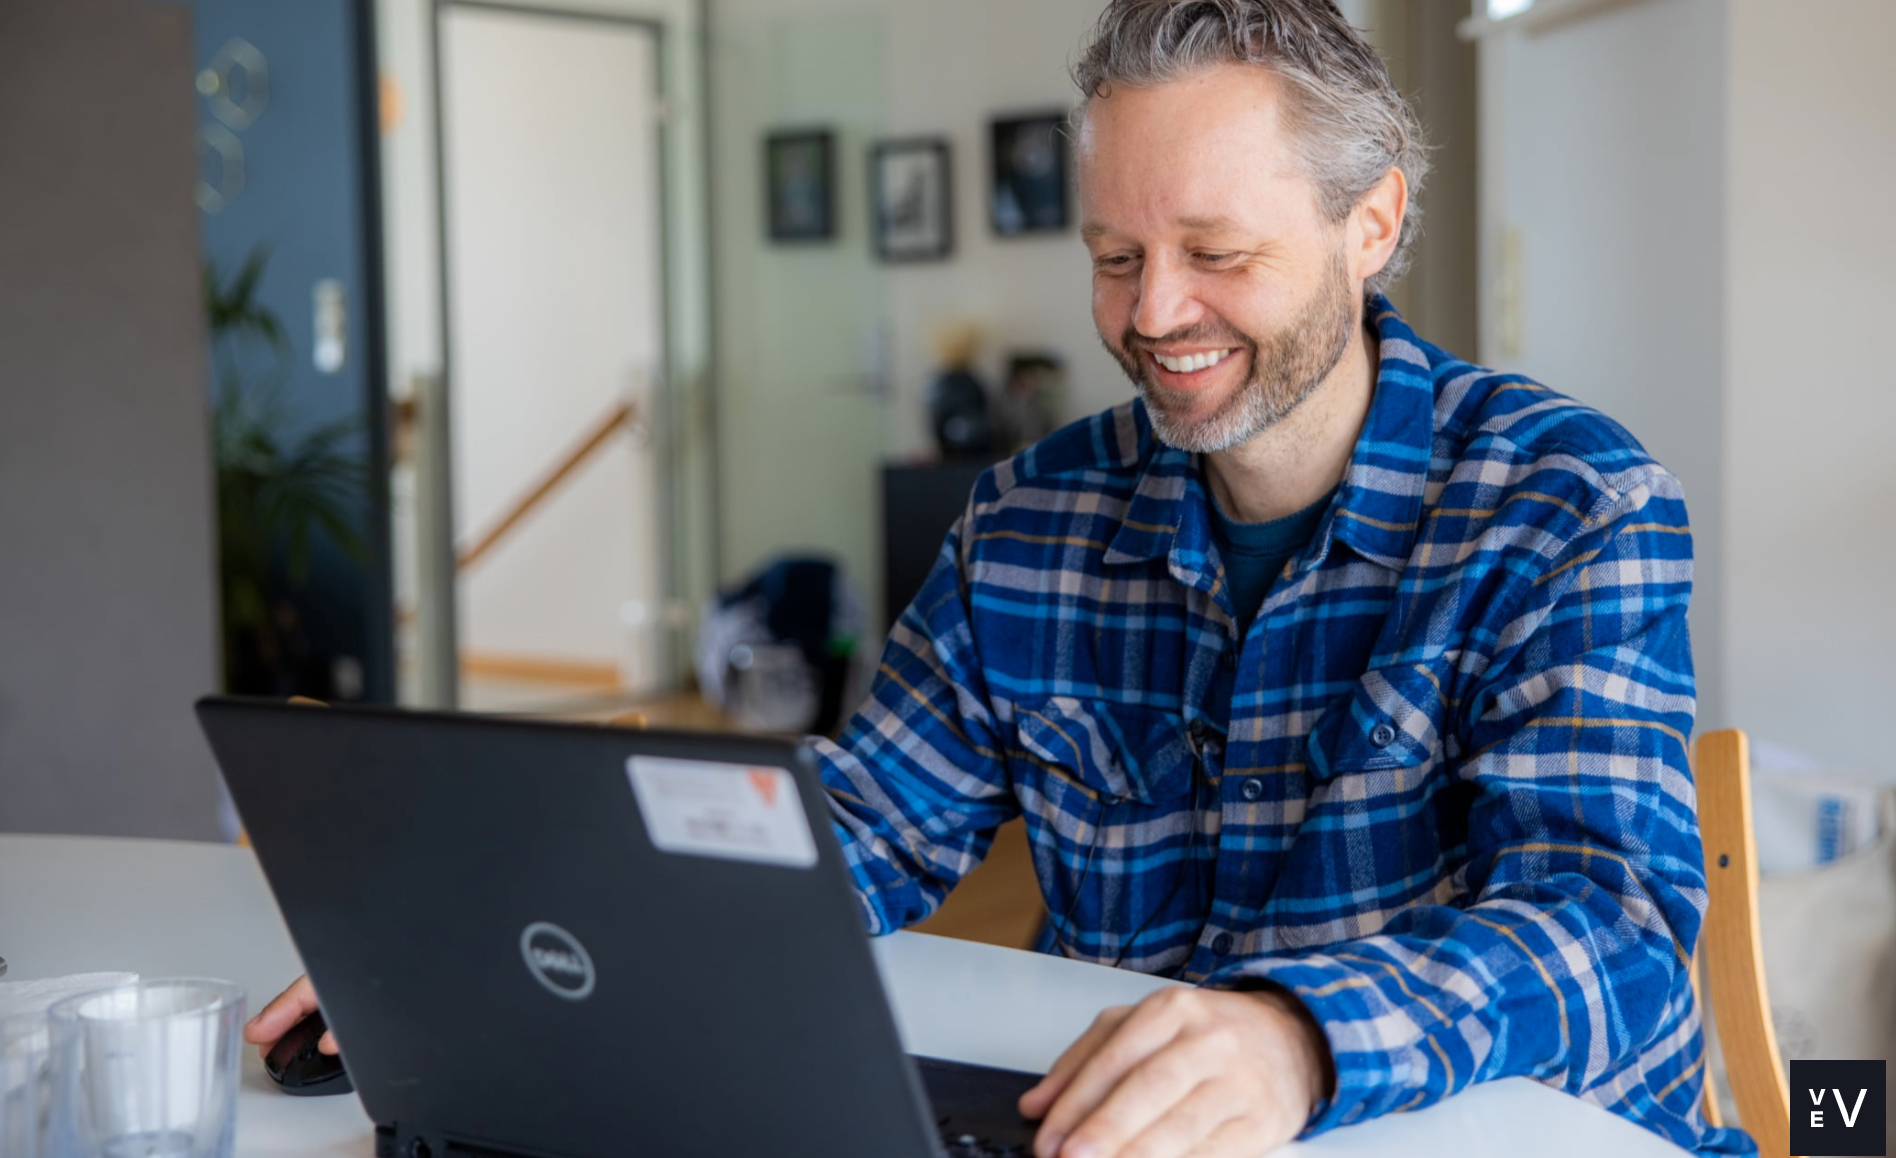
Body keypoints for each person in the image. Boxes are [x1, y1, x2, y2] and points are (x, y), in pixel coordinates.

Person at [249, 2, 1752, 1156]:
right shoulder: (1031, 519)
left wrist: (1295, 1038)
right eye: (1115, 255)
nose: (1154, 314)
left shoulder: (1571, 504)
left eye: (1216, 251)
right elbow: (860, 826)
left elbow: (1611, 920)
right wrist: (486, 946)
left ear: (1373, 224)